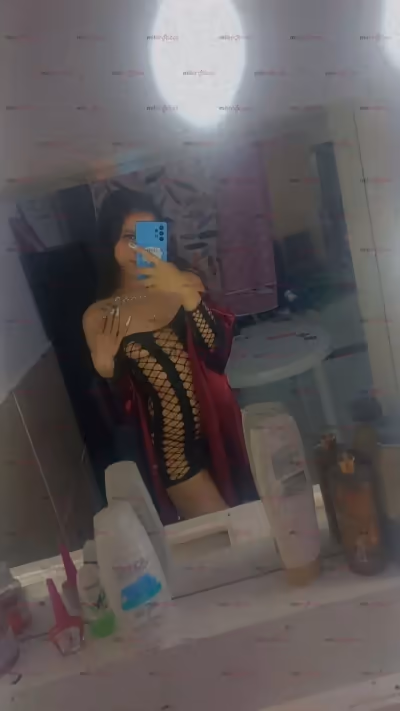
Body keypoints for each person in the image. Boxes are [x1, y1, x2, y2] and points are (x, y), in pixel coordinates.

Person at [83, 188, 257, 522]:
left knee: (250, 518)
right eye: (128, 237)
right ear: (109, 241)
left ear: (161, 237)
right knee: (231, 528)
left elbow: (217, 350)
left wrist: (185, 293)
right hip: (174, 451)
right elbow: (121, 404)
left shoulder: (185, 281)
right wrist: (105, 370)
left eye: (148, 236)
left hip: (222, 428)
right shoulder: (100, 315)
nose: (139, 248)